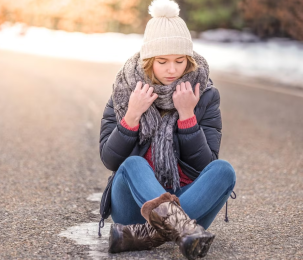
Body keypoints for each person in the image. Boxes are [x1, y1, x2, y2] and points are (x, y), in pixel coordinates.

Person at [99, 0, 236, 259]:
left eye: (180, 61)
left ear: (190, 61)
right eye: (162, 61)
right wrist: (132, 115)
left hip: (188, 200)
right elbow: (110, 159)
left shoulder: (205, 95)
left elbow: (204, 166)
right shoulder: (124, 92)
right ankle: (183, 229)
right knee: (132, 165)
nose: (172, 70)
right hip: (132, 207)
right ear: (148, 61)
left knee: (223, 170)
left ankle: (150, 234)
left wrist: (187, 117)